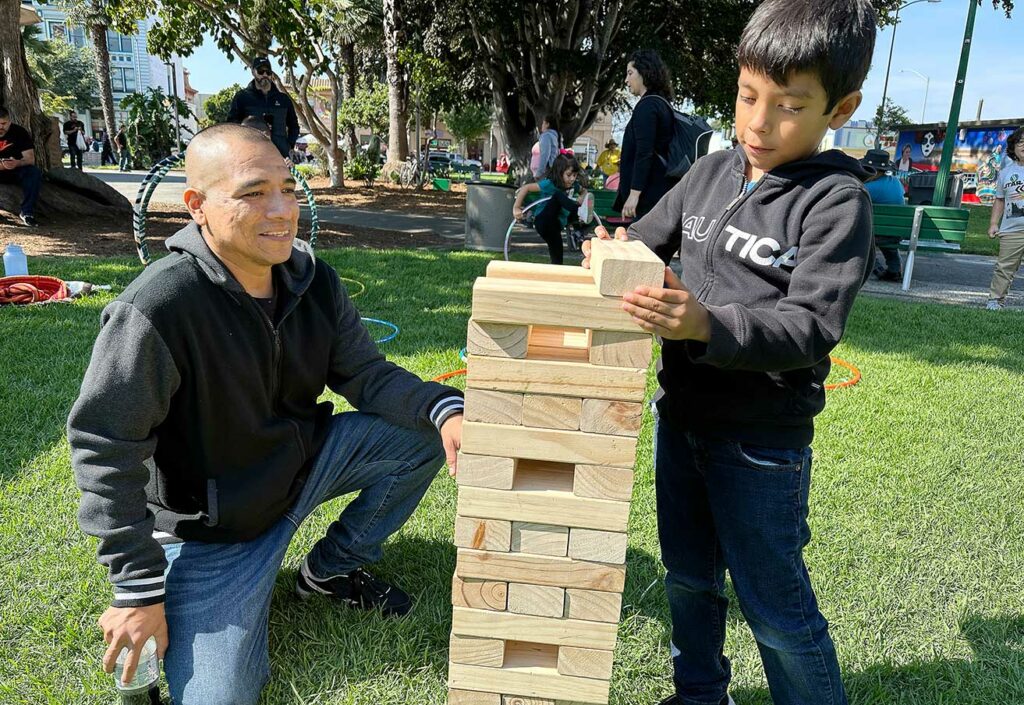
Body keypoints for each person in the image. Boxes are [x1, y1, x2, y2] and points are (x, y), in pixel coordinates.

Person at [67, 123, 465, 705]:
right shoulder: (158, 308)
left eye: (289, 188)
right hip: (215, 534)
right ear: (197, 206)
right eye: (253, 193)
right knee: (219, 697)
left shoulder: (314, 281)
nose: (282, 210)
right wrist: (137, 589)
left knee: (421, 436)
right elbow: (105, 443)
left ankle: (329, 571)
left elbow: (366, 375)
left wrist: (444, 409)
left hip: (300, 470)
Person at [582, 1, 876, 703]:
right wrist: (613, 250)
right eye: (748, 96)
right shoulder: (712, 173)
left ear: (841, 107)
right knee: (687, 578)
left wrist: (705, 324)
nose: (757, 122)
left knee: (774, 609)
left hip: (761, 443)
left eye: (788, 106)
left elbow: (810, 325)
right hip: (679, 419)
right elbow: (647, 241)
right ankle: (699, 693)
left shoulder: (836, 202)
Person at [615, 49, 676, 221]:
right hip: (659, 189)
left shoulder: (647, 107)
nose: (626, 80)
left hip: (647, 195)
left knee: (641, 245)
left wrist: (634, 194)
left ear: (644, 72)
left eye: (630, 73)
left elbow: (644, 152)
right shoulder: (662, 104)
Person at [513, 152, 586, 265]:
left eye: (575, 175)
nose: (572, 179)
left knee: (557, 257)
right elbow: (526, 188)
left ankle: (556, 275)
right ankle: (579, 213)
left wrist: (581, 197)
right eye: (569, 175)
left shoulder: (574, 186)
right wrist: (517, 208)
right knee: (557, 196)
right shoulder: (549, 184)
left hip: (556, 226)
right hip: (543, 220)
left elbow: (584, 191)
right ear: (559, 173)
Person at [227, 56, 300, 159]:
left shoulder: (284, 99)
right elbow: (232, 126)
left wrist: (289, 146)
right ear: (253, 72)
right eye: (261, 71)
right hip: (252, 157)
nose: (265, 75)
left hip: (280, 157)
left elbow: (294, 126)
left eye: (268, 72)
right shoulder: (242, 97)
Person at [985, 126, 1024, 310]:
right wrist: (993, 223)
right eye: (1020, 142)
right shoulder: (1005, 173)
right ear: (1013, 147)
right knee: (1004, 267)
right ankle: (995, 301)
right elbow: (999, 200)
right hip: (1011, 229)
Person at [860, 148, 906, 281]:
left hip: (877, 234)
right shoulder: (896, 182)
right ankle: (895, 269)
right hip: (898, 232)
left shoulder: (868, 188)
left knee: (862, 235)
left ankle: (876, 268)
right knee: (886, 233)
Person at [0, 107, 42, 227]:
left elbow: (30, 159)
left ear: (9, 121)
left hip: (16, 169)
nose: (0, 127)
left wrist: (17, 163)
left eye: (3, 124)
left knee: (33, 172)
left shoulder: (19, 132)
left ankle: (27, 212)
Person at [530, 114, 562, 180]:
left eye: (543, 123)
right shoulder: (557, 136)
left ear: (547, 124)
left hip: (546, 171)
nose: (542, 125)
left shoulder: (546, 136)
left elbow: (545, 155)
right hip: (554, 170)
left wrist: (539, 173)